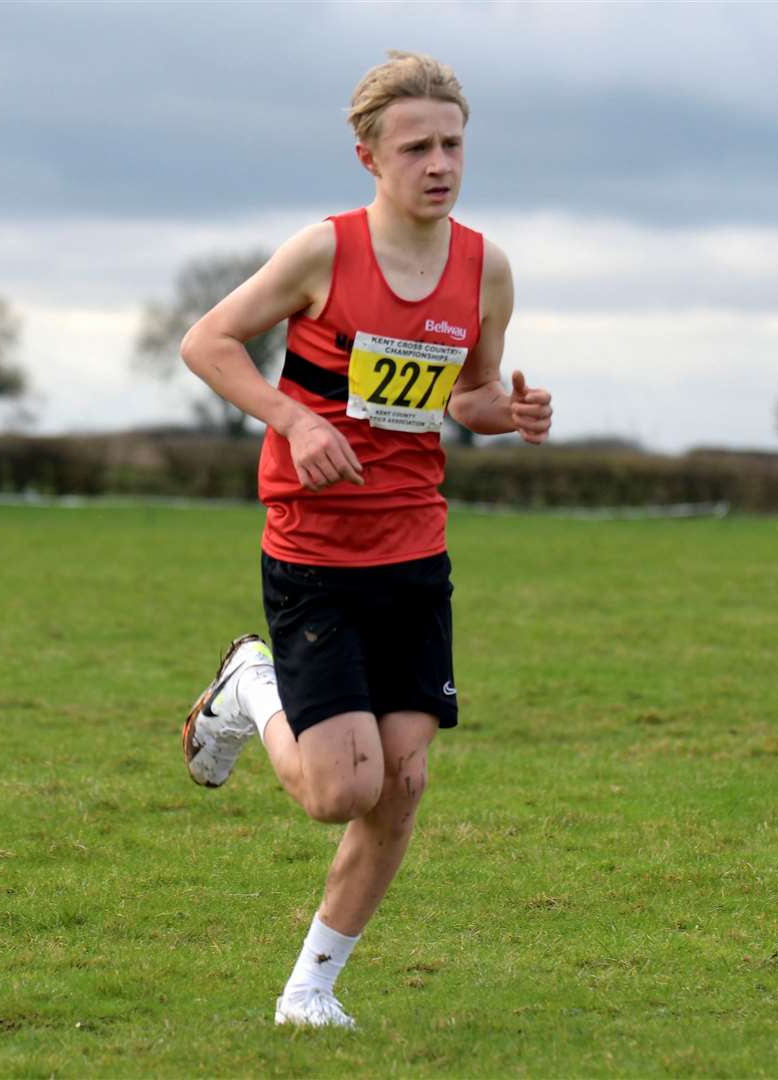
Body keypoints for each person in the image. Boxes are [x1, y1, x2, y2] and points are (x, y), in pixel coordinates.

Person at [179, 50, 553, 1029]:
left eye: (454, 145)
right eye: (418, 147)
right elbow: (208, 341)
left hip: (414, 552)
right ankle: (248, 683)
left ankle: (311, 992)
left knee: (405, 784)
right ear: (369, 157)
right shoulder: (325, 254)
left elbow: (469, 394)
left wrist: (505, 415)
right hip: (315, 554)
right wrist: (294, 422)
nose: (441, 164)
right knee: (340, 790)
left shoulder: (486, 269)